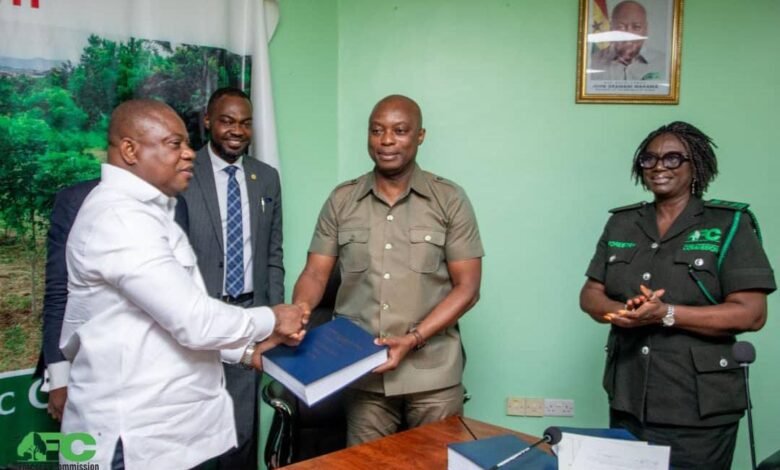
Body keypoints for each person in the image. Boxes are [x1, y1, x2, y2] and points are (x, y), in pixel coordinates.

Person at [59, 99, 305, 469]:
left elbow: (161, 322)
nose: (189, 153)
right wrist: (274, 318)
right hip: (129, 441)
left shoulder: (150, 213)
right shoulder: (120, 217)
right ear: (130, 150)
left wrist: (243, 353)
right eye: (175, 144)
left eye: (187, 143)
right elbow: (193, 320)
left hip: (163, 437)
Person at [579, 121, 776, 469]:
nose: (659, 166)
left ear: (695, 165)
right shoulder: (622, 223)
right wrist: (620, 313)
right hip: (629, 398)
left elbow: (752, 313)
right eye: (649, 158)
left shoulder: (728, 224)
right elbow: (591, 295)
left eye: (673, 158)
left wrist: (666, 313)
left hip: (698, 405)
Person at [292, 95, 483, 446]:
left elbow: (468, 288)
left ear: (420, 136)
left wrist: (413, 338)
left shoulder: (449, 199)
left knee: (436, 464)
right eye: (377, 130)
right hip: (364, 372)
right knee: (366, 464)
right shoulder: (342, 200)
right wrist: (300, 310)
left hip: (433, 377)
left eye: (400, 131)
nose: (387, 140)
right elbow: (316, 273)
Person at [180, 87, 284, 469]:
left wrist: (275, 317)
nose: (237, 131)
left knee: (240, 439)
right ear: (208, 121)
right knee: (193, 441)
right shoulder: (184, 172)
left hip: (250, 320)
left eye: (245, 123)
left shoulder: (266, 178)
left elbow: (273, 254)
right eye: (226, 121)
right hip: (196, 323)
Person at [35, 179, 189, 422]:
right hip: (91, 371)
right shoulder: (77, 199)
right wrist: (59, 379)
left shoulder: (174, 203)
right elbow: (58, 292)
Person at [589, 0, 665, 81]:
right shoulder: (591, 62)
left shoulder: (663, 62)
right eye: (621, 27)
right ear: (611, 28)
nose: (629, 34)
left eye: (636, 27)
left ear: (646, 29)